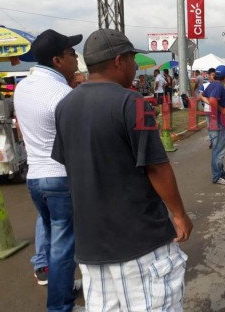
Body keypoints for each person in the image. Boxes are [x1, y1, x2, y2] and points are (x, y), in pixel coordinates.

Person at [51, 28, 193, 311]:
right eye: (131, 59)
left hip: (92, 248)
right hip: (139, 243)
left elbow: (70, 163)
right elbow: (157, 168)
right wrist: (179, 215)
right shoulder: (132, 103)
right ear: (119, 61)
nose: (133, 65)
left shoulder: (65, 106)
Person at [13, 29, 82, 312]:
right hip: (59, 177)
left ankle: (62, 286)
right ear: (56, 60)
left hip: (35, 178)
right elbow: (77, 141)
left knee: (54, 240)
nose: (75, 56)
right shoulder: (63, 93)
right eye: (70, 53)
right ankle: (60, 306)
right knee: (64, 247)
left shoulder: (23, 87)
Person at [200, 65, 225, 185]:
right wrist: (221, 109)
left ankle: (220, 171)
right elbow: (213, 100)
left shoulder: (212, 84)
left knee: (217, 148)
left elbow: (203, 96)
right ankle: (217, 176)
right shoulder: (218, 86)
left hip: (215, 120)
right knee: (219, 149)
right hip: (219, 122)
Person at [200, 68, 216, 149]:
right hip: (208, 109)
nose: (214, 76)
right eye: (213, 75)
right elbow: (201, 96)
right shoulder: (204, 85)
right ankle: (212, 141)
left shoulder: (218, 85)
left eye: (215, 75)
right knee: (209, 126)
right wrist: (210, 103)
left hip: (216, 110)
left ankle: (215, 141)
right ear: (209, 75)